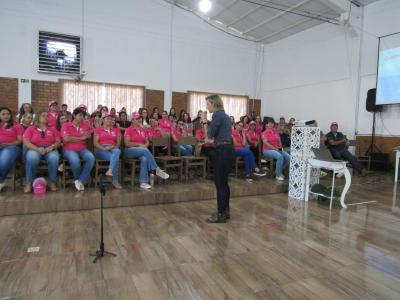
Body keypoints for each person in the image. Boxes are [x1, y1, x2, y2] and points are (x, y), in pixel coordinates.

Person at [205, 94, 235, 223]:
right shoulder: (226, 116)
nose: (207, 107)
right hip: (228, 149)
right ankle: (225, 210)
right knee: (224, 183)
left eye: (208, 104)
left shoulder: (217, 116)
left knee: (219, 183)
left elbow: (209, 135)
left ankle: (221, 214)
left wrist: (204, 122)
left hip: (222, 151)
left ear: (213, 103)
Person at [124, 112, 169, 189]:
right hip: (130, 150)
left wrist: (145, 145)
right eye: (137, 118)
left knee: (144, 159)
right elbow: (127, 143)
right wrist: (139, 145)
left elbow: (147, 141)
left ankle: (143, 182)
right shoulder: (129, 129)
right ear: (132, 120)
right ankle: (156, 169)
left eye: (140, 118)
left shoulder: (143, 130)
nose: (139, 120)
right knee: (144, 150)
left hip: (142, 150)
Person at [23, 111, 61, 192]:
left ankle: (52, 181)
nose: (46, 117)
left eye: (47, 116)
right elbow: (26, 142)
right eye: (43, 115)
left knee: (54, 158)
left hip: (50, 148)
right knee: (32, 158)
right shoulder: (31, 128)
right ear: (38, 118)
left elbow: (58, 142)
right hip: (34, 148)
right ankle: (29, 182)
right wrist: (37, 149)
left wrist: (52, 147)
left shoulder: (53, 129)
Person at [60, 108, 95, 191]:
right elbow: (66, 139)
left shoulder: (85, 125)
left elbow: (93, 130)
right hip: (69, 150)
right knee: (75, 161)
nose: (82, 117)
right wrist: (82, 137)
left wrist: (90, 133)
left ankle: (80, 180)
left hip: (82, 149)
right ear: (74, 115)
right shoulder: (66, 125)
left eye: (83, 115)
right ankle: (78, 179)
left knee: (91, 158)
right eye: (80, 115)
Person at [93, 112, 122, 189]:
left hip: (112, 149)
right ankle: (115, 181)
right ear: (103, 120)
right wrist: (104, 148)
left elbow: (118, 144)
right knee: (115, 158)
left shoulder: (116, 130)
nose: (110, 120)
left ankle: (110, 170)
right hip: (100, 149)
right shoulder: (98, 130)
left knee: (117, 151)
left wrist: (113, 147)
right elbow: (95, 143)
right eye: (108, 119)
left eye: (111, 119)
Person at [0, 107, 23, 192]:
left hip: (12, 147)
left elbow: (19, 141)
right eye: (3, 114)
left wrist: (7, 144)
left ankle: (0, 181)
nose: (6, 116)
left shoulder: (17, 125)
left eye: (8, 114)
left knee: (5, 156)